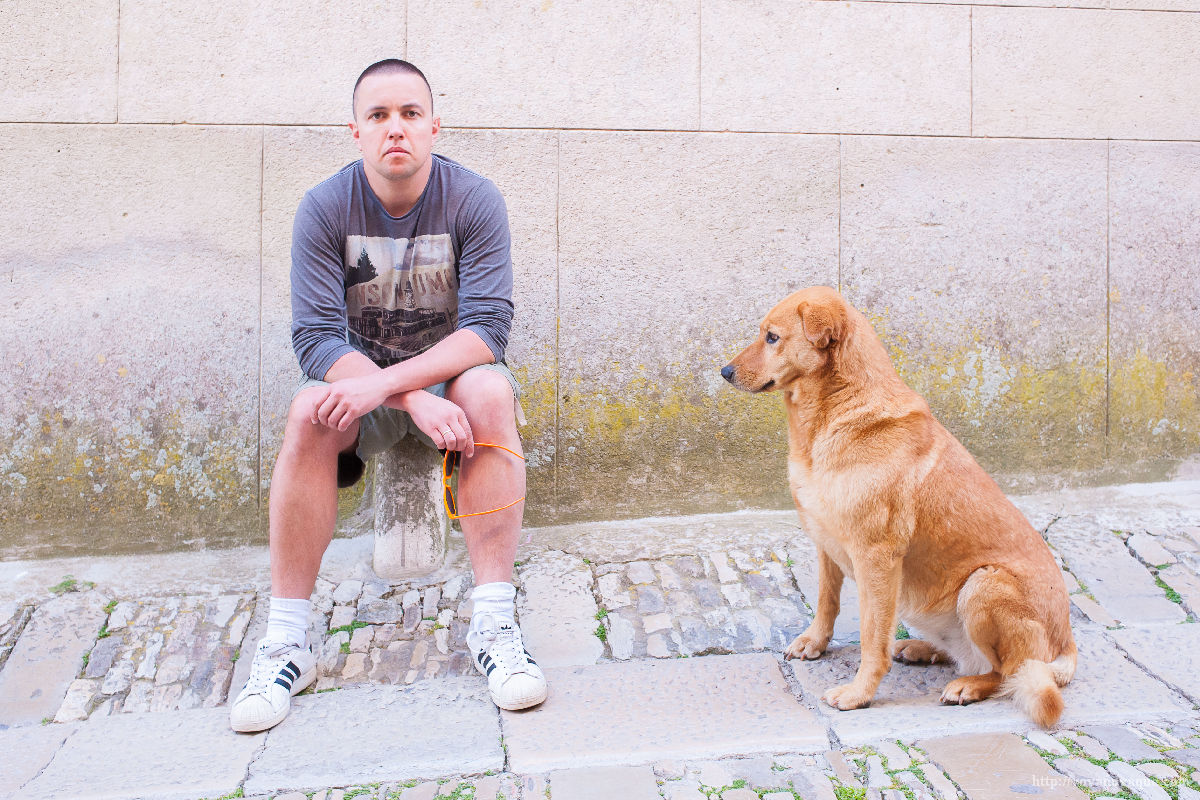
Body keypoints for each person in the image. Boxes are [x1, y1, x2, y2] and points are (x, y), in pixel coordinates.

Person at [229, 59, 546, 733]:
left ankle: (493, 625)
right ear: (356, 131)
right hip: (366, 390)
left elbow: (488, 329)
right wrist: (403, 398)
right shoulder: (324, 208)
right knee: (308, 409)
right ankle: (288, 640)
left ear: (434, 125)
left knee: (489, 389)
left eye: (408, 114)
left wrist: (397, 384)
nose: (394, 128)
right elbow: (315, 340)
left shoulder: (473, 199)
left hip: (447, 385)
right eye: (378, 116)